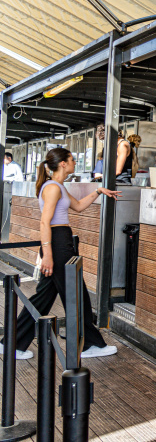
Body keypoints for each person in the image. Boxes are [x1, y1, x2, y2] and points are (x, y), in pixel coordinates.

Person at [0, 148, 120, 360]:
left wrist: (99, 191)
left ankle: (12, 344)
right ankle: (91, 343)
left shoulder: (58, 187)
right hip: (57, 243)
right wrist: (47, 254)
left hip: (60, 241)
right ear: (63, 164)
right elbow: (45, 222)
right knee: (76, 294)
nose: (75, 162)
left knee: (43, 298)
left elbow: (79, 206)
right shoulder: (53, 188)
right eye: (72, 159)